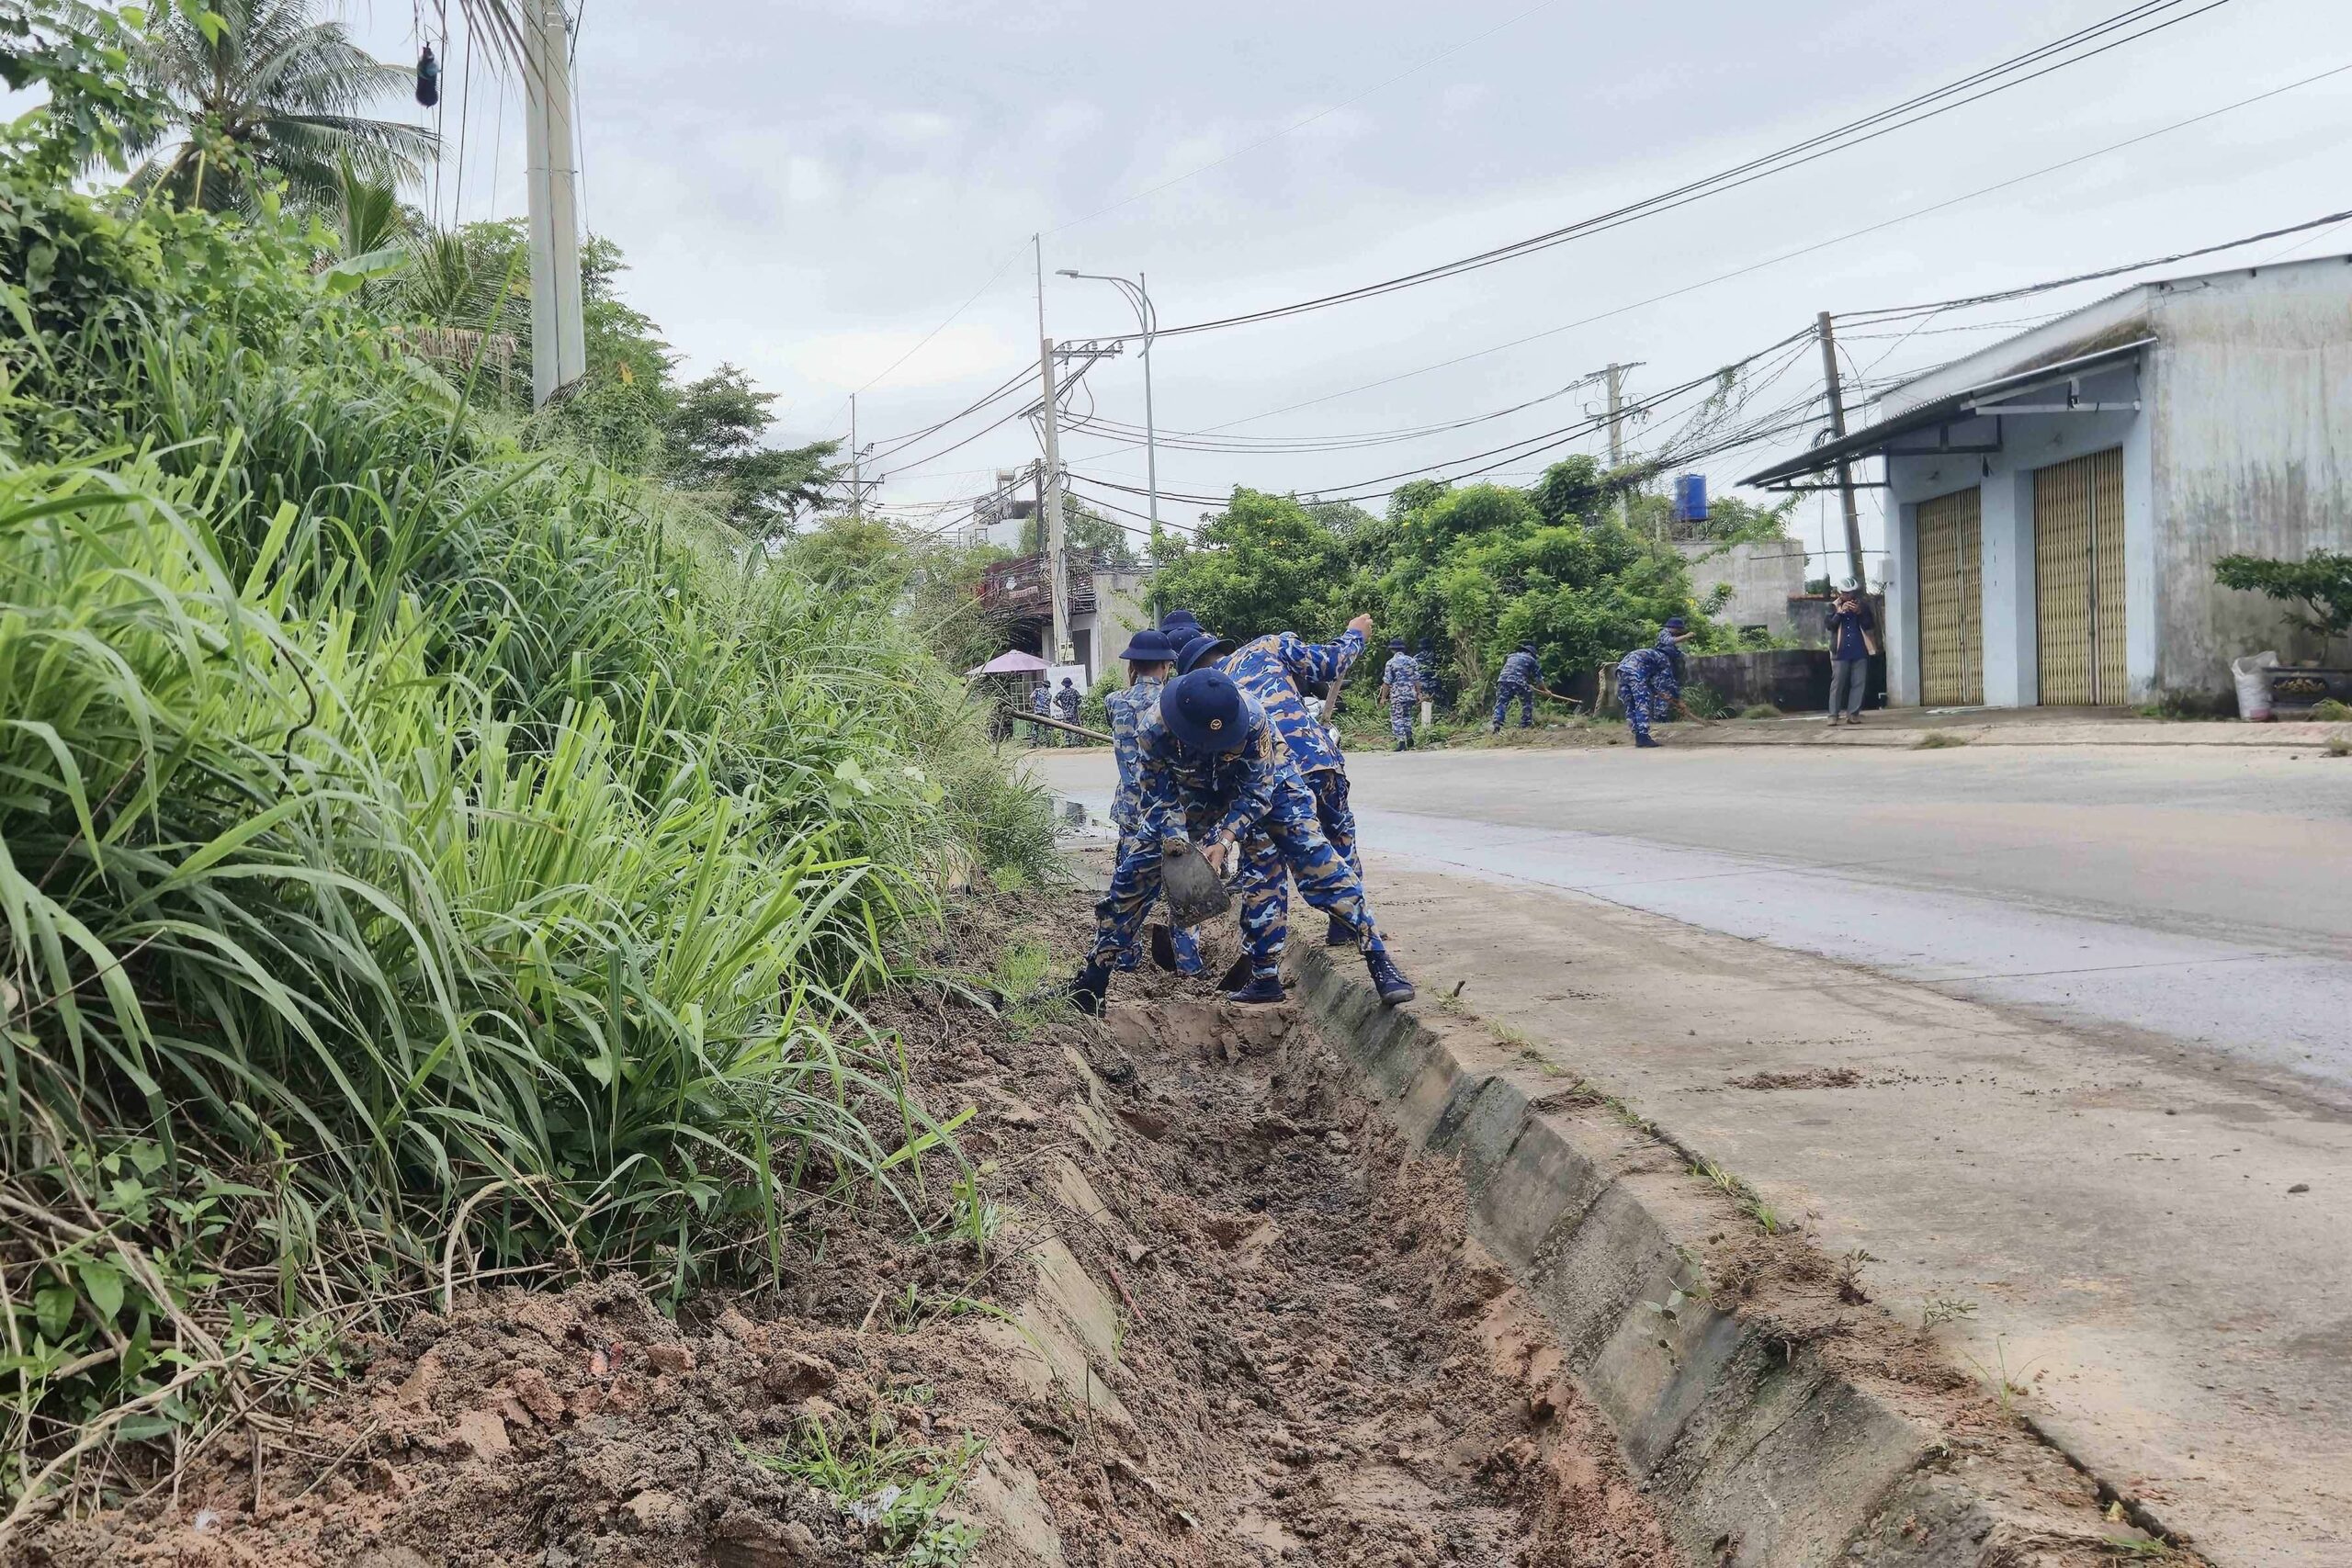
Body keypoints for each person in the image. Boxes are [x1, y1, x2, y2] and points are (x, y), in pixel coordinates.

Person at [1065, 668, 1415, 1014]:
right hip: (1192, 793)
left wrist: (1226, 838)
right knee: (1132, 878)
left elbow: (1257, 789)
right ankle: (1093, 980)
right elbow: (1159, 798)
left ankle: (1378, 959)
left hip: (1273, 787)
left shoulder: (1253, 719)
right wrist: (1179, 846)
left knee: (1318, 863)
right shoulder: (1154, 729)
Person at [1218, 615, 1374, 953]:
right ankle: (1347, 926)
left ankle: (1265, 972)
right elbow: (1331, 664)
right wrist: (1355, 635)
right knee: (1338, 836)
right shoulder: (1272, 644)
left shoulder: (1210, 686)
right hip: (1318, 758)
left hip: (1268, 776)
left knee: (1265, 868)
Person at [1104, 630, 1201, 976]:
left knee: (1130, 886)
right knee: (1184, 886)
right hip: (1172, 811)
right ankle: (1189, 964)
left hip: (1131, 810)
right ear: (1166, 666)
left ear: (1132, 665)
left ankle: (1126, 958)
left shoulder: (1114, 701)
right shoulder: (1177, 703)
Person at [1616, 625, 1698, 749]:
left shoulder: (1650, 654)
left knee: (1631, 705)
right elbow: (1669, 682)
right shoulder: (1663, 658)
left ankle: (1639, 735)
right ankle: (1643, 737)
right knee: (1642, 703)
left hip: (1621, 672)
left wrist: (1657, 692)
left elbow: (1646, 680)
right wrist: (1678, 700)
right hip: (1634, 673)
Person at [1826, 587, 1879, 726]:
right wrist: (1840, 613)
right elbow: (1830, 626)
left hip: (1859, 650)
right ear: (1840, 593)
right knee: (1837, 684)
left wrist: (1859, 613)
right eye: (1845, 593)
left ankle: (1853, 714)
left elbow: (1870, 626)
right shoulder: (1833, 606)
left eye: (1850, 593)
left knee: (1859, 683)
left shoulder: (1862, 606)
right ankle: (1833, 715)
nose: (1847, 596)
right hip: (1840, 651)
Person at [1378, 639, 1422, 750]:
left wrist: (1383, 698)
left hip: (1398, 695)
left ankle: (1401, 741)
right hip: (1410, 693)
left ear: (1392, 650)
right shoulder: (1412, 661)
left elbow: (1387, 682)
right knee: (1406, 716)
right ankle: (1409, 736)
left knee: (1397, 717)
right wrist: (1419, 693)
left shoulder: (1391, 663)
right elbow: (1416, 679)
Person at [1491, 643, 1541, 732]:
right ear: (1532, 654)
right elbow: (1539, 679)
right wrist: (1545, 690)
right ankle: (1526, 724)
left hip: (1502, 680)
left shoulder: (1511, 656)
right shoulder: (1531, 659)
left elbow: (1512, 670)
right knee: (1527, 701)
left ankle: (1497, 722)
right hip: (1518, 681)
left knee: (1501, 702)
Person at [1053, 675, 1081, 744]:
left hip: (1066, 713)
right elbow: (1080, 700)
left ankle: (1067, 742)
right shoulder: (1074, 691)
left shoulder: (1061, 692)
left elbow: (1054, 700)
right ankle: (1077, 742)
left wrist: (1061, 707)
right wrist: (1075, 705)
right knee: (1076, 727)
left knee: (1066, 727)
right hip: (1074, 713)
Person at [1026, 680, 1051, 747]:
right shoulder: (1049, 695)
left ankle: (1034, 742)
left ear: (1042, 685)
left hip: (1038, 711)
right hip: (1046, 712)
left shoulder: (1037, 690)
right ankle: (1047, 743)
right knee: (1047, 727)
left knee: (1035, 727)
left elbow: (1031, 697)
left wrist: (1031, 704)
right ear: (1048, 687)